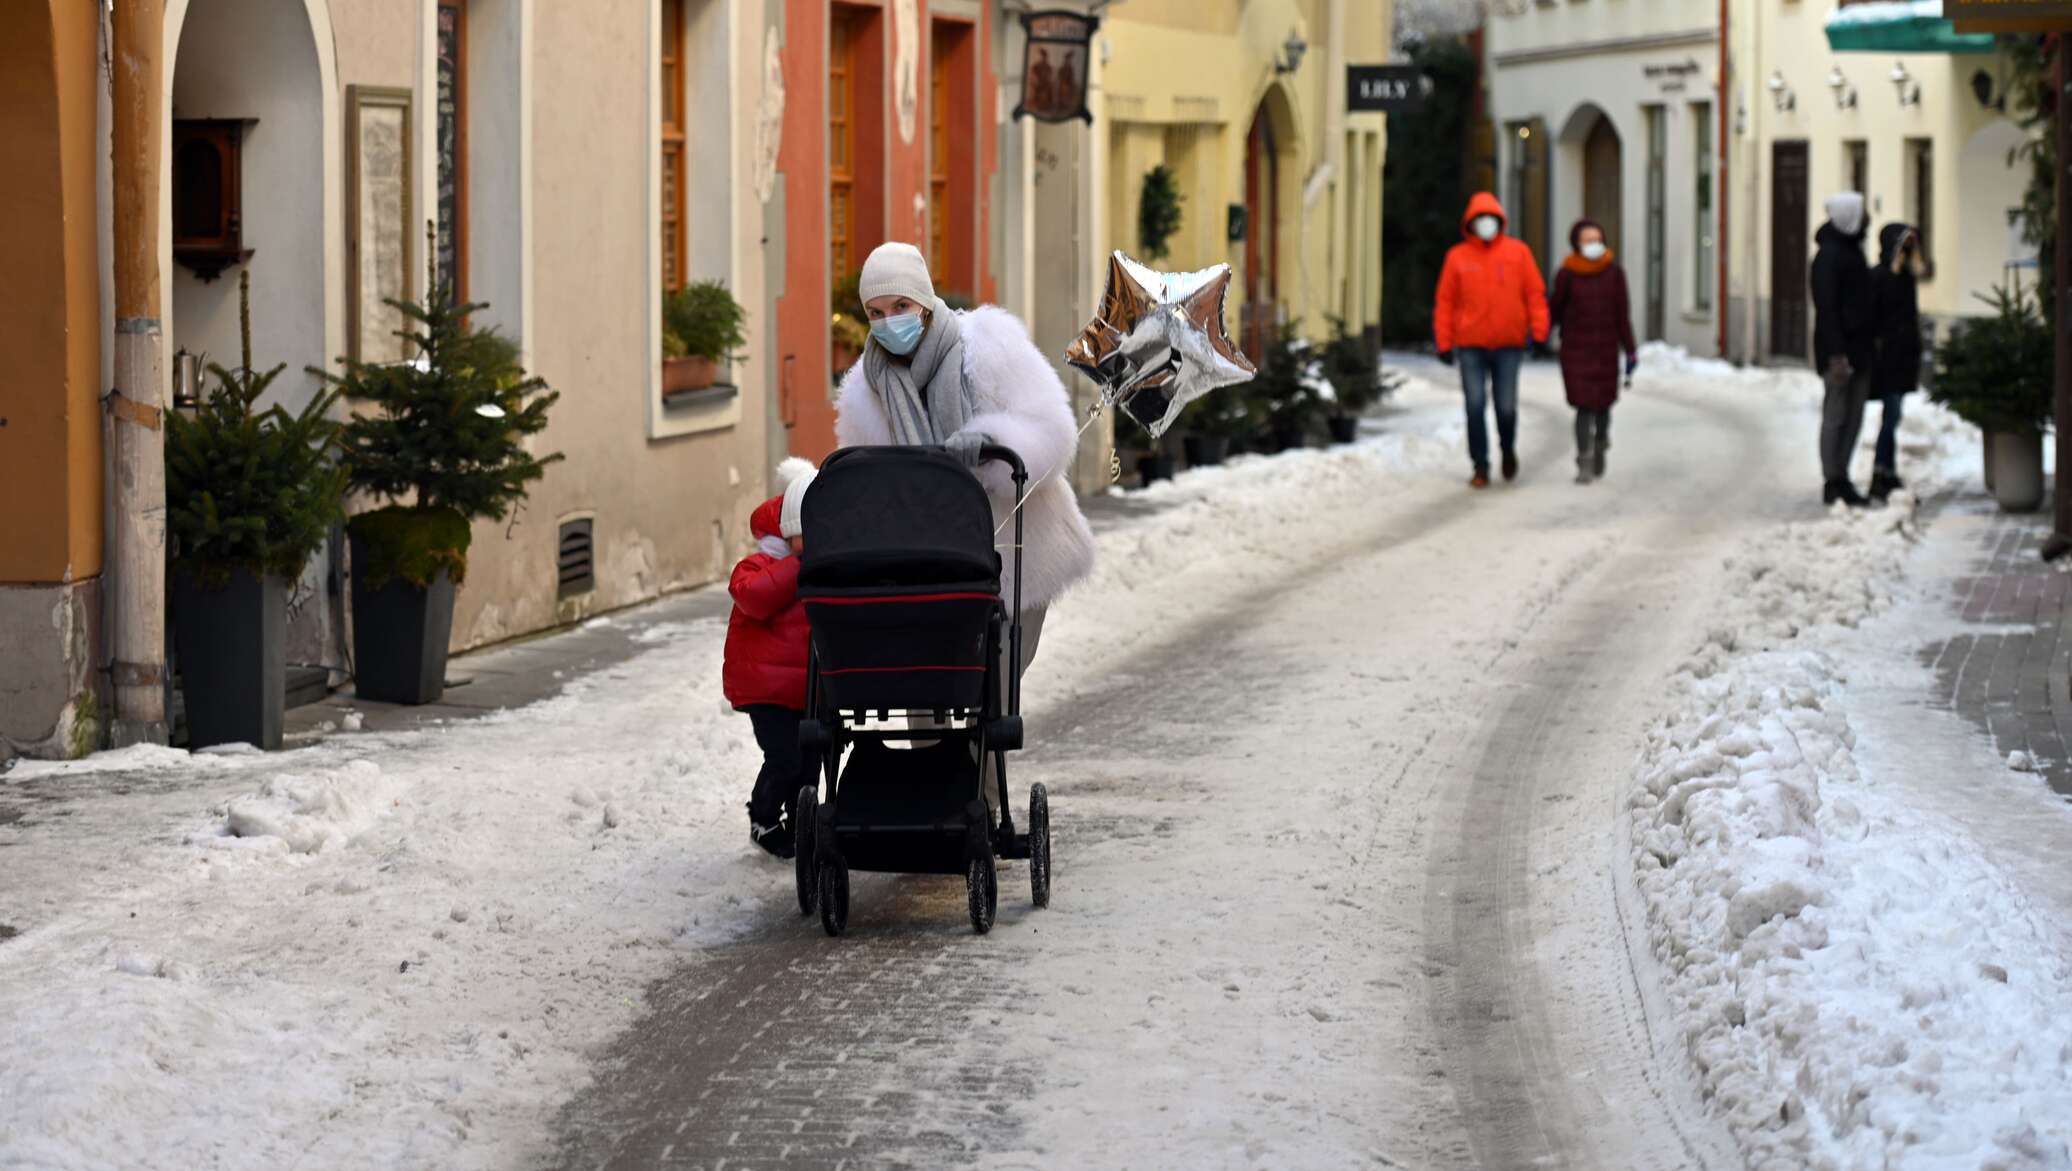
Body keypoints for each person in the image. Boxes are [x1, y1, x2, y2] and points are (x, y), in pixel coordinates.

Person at [834, 241, 1096, 673]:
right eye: (876, 313)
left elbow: (1054, 433)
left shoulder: (989, 344)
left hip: (1019, 548)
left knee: (992, 691)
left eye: (900, 305)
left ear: (924, 301)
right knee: (933, 700)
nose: (889, 322)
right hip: (931, 563)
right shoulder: (866, 386)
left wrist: (987, 443)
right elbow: (864, 479)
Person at [722, 458, 820, 858]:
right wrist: (796, 567)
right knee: (785, 757)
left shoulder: (819, 567)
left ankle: (803, 824)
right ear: (787, 531)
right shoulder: (760, 565)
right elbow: (753, 597)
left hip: (806, 689)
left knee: (810, 763)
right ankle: (763, 816)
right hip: (766, 690)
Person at [1434, 191, 1550, 488]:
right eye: (1480, 219)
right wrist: (1444, 342)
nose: (1486, 224)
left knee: (1506, 406)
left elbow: (1534, 294)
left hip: (1508, 344)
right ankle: (1480, 465)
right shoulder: (1457, 257)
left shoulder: (1518, 253)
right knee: (1474, 405)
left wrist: (1539, 332)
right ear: (1470, 223)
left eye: (1490, 219)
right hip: (1470, 344)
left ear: (1500, 221)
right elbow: (1445, 302)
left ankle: (1507, 448)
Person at [1548, 219, 1638, 484]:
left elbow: (1623, 315)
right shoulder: (1566, 274)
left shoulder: (1614, 273)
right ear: (1576, 243)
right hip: (1576, 349)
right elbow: (1555, 309)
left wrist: (1630, 350)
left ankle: (1600, 442)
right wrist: (1538, 333)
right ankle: (1584, 459)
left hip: (1606, 348)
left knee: (1603, 406)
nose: (1593, 244)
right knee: (1583, 406)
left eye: (1597, 239)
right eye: (1587, 240)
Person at [1810, 191, 1877, 508]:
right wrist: (1837, 355)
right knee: (1836, 415)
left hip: (1859, 349)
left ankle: (1843, 475)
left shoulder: (1852, 251)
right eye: (1861, 213)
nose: (1866, 219)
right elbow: (1827, 309)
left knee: (1854, 416)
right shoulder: (1828, 257)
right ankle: (1832, 479)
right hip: (1839, 352)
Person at [1867, 223, 1924, 503]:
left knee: (1894, 416)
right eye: (1904, 246)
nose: (1908, 252)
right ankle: (1881, 472)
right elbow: (1873, 318)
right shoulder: (1879, 277)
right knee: (1890, 417)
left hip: (1902, 357)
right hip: (1888, 359)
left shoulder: (1905, 278)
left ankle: (1887, 471)